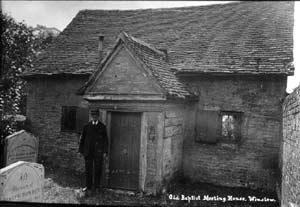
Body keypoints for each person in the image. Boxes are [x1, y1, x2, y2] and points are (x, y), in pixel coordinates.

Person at [79, 109, 108, 194]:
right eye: (93, 115)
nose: (94, 117)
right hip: (88, 152)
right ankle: (88, 186)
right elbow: (82, 139)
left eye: (96, 115)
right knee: (88, 169)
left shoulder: (102, 127)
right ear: (91, 116)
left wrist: (105, 151)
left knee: (98, 169)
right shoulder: (86, 126)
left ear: (98, 116)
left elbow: (105, 140)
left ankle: (97, 186)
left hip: (98, 152)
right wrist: (81, 151)